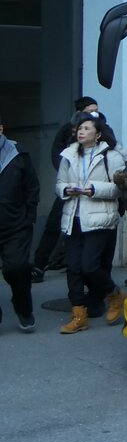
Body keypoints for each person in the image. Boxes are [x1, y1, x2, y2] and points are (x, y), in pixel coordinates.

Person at [56, 114, 125, 334]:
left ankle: (113, 295)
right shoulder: (68, 154)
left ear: (98, 133)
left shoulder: (111, 156)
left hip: (98, 217)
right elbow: (59, 183)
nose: (81, 131)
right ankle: (79, 315)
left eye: (86, 128)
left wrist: (93, 190)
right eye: (79, 128)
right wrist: (66, 190)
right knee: (73, 268)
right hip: (73, 216)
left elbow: (118, 188)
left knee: (90, 266)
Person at [32, 96, 100, 283]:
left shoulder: (100, 129)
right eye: (91, 110)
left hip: (91, 191)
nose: (95, 114)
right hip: (69, 188)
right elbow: (57, 154)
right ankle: (39, 264)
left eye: (96, 110)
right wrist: (66, 175)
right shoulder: (67, 130)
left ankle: (84, 268)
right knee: (54, 225)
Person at [0, 113, 39, 333]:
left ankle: (23, 308)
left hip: (16, 225)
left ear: (1, 129)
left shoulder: (18, 155)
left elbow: (32, 188)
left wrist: (28, 217)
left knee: (16, 268)